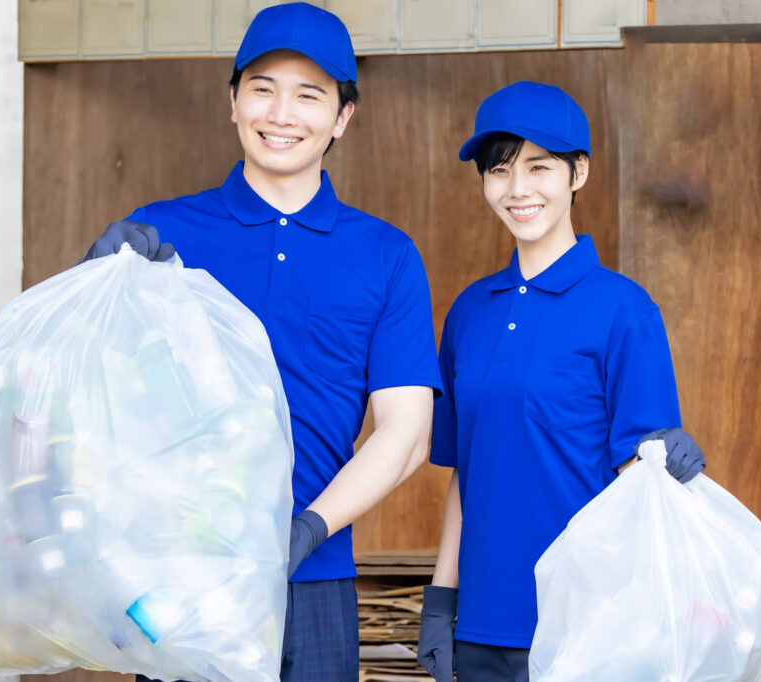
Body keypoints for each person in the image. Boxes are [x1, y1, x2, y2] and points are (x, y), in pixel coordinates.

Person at [79, 4, 443, 680]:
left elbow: (407, 432)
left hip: (314, 577)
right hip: (181, 576)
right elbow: (84, 393)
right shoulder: (160, 233)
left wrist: (307, 529)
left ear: (341, 117)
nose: (281, 114)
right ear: (233, 102)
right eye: (263, 88)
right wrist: (93, 286)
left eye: (309, 95)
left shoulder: (385, 254)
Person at [415, 81, 706, 682]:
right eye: (499, 170)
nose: (517, 189)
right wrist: (442, 599)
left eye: (539, 167)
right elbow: (466, 471)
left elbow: (640, 483)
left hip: (585, 629)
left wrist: (670, 463)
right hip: (479, 626)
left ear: (579, 172)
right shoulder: (468, 312)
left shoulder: (624, 310)